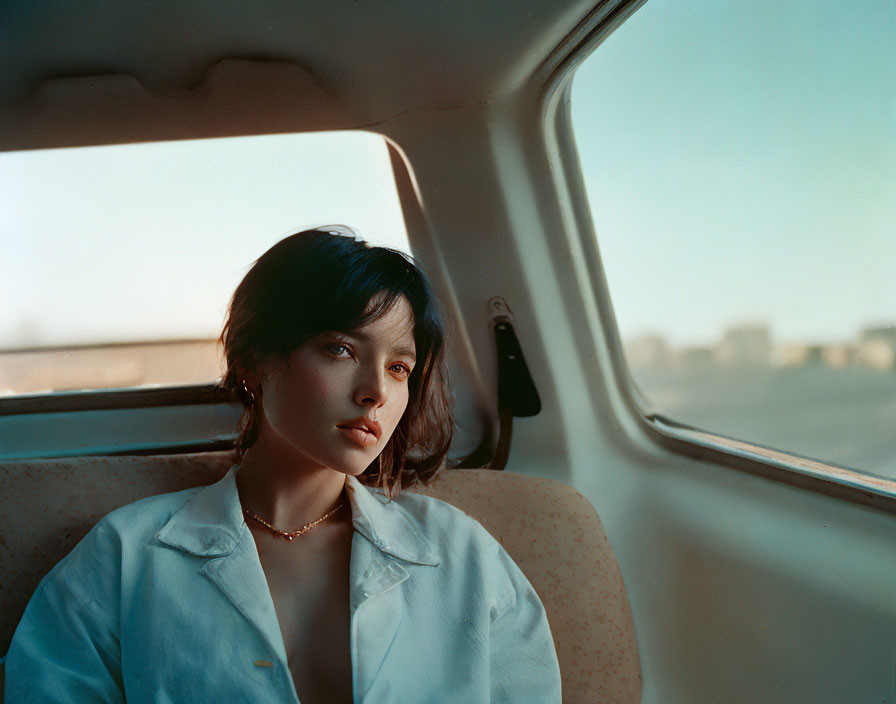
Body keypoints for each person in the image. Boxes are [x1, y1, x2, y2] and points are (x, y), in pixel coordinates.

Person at [4, 227, 562, 703]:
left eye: (399, 368)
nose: (375, 392)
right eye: (341, 349)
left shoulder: (462, 557)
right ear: (255, 363)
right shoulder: (124, 556)